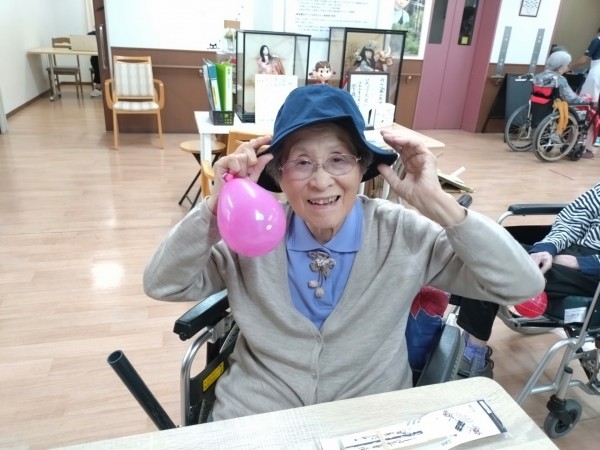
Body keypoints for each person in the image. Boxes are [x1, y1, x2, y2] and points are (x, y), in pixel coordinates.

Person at [143, 84, 544, 421]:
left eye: (338, 159)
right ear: (278, 173)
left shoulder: (401, 234)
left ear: (361, 166)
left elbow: (521, 285)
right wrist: (216, 210)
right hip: (258, 415)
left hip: (370, 417)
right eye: (301, 162)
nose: (321, 181)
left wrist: (442, 206)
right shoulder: (253, 236)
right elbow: (163, 283)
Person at [455, 183, 600, 378]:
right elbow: (573, 219)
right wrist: (547, 248)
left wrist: (581, 263)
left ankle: (473, 357)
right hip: (572, 250)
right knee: (486, 245)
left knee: (497, 264)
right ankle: (466, 344)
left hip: (593, 272)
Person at [532, 50, 594, 157]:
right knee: (584, 113)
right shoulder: (560, 79)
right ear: (561, 67)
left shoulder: (539, 76)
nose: (567, 67)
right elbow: (571, 98)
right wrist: (585, 99)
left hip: (538, 107)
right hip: (555, 109)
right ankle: (571, 144)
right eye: (567, 65)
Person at [88, 30, 101, 98]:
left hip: (103, 58)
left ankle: (98, 88)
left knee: (98, 63)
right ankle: (98, 87)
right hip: (96, 57)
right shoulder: (93, 33)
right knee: (95, 60)